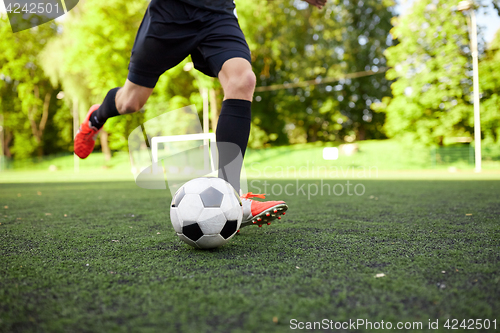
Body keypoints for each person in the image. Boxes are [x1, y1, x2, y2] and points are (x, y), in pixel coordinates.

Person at [74, 0, 327, 229]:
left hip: (217, 13)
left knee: (242, 80)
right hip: (169, 13)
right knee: (131, 102)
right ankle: (96, 117)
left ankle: (231, 197)